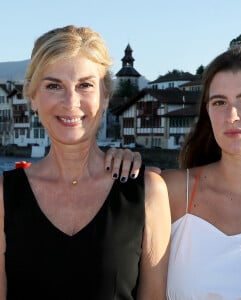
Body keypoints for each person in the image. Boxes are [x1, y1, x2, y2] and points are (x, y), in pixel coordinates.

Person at [109, 43, 241, 299]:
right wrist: (112, 161)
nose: (231, 115)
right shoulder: (168, 191)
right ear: (207, 112)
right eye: (219, 102)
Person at [0, 25, 171, 300]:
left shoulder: (148, 192)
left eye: (85, 85)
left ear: (105, 97)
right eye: (54, 85)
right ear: (32, 97)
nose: (71, 102)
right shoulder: (3, 196)